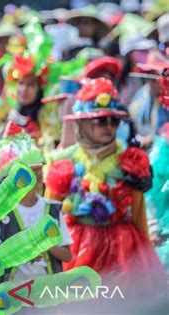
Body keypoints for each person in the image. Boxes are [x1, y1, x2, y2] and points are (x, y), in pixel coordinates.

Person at [45, 78, 166, 300]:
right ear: (81, 123)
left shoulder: (130, 162)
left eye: (113, 121)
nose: (109, 127)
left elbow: (139, 216)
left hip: (124, 253)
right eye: (100, 121)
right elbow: (49, 221)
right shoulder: (63, 163)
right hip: (76, 250)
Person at [0, 122, 72, 284]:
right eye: (30, 171)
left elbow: (67, 255)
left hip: (47, 293)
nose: (37, 176)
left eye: (40, 170)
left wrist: (44, 245)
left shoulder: (52, 208)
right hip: (11, 294)